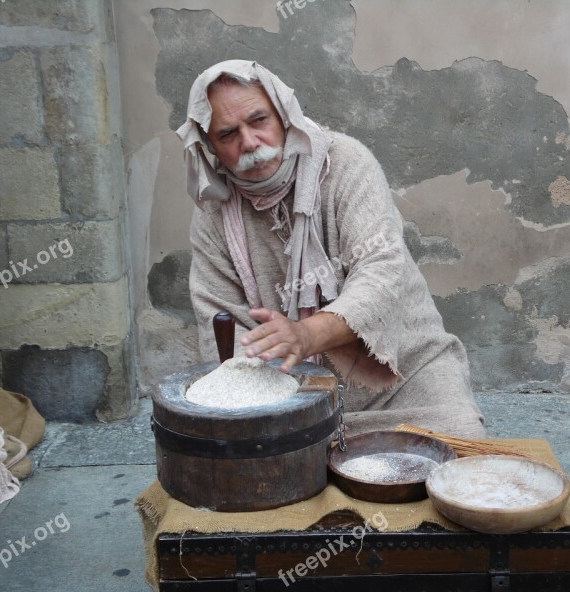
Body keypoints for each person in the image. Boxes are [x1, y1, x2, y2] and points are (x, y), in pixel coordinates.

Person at [178, 60, 485, 437]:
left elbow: (381, 271)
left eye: (259, 120)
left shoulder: (345, 163)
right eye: (228, 134)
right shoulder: (214, 211)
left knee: (458, 444)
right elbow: (219, 316)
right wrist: (265, 390)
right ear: (210, 146)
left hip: (406, 374)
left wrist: (306, 335)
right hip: (290, 391)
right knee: (271, 476)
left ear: (284, 114)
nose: (249, 142)